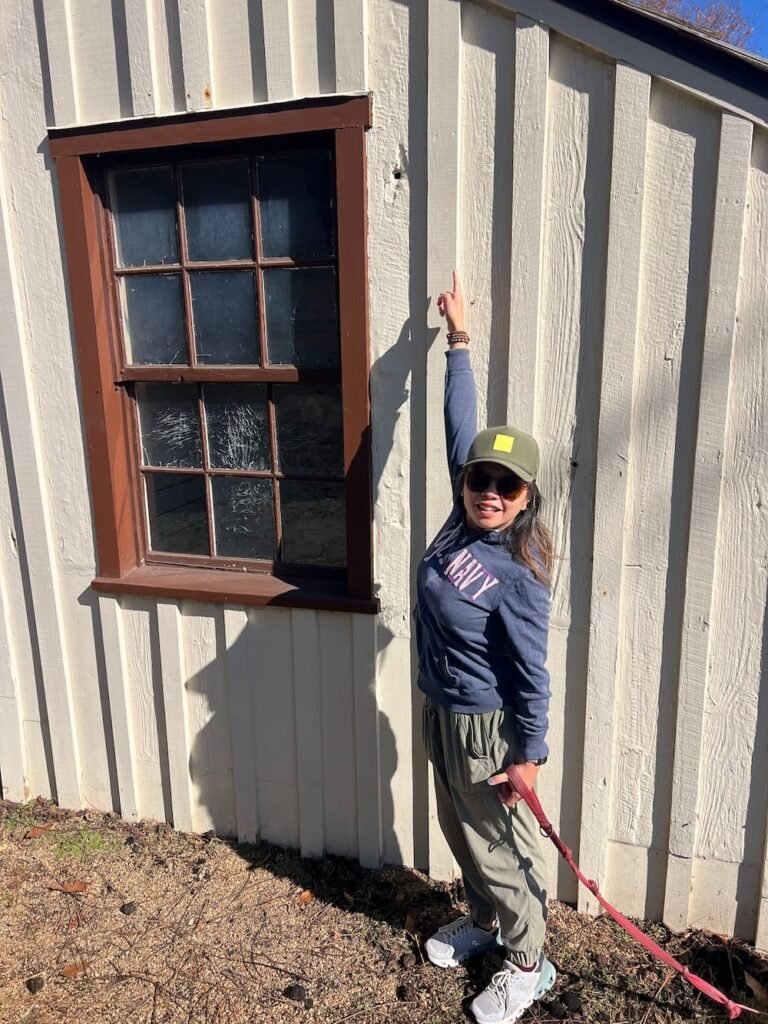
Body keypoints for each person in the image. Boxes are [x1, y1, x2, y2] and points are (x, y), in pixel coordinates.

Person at [416, 272, 556, 1024]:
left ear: (526, 495)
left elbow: (532, 673)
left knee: (503, 848)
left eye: (507, 483)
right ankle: (485, 924)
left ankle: (530, 963)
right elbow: (459, 421)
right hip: (439, 707)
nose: (489, 490)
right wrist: (458, 342)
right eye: (480, 476)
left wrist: (528, 755)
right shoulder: (459, 517)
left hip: (484, 726)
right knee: (460, 833)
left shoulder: (518, 571)